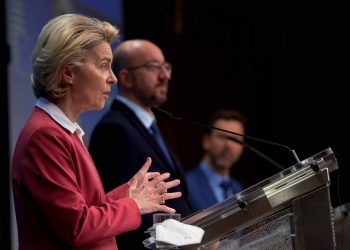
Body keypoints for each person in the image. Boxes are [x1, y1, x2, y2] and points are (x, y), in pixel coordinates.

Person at [11, 14, 183, 250]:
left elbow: (83, 212)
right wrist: (134, 205)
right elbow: (78, 227)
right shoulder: (45, 136)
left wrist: (128, 194)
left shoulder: (63, 131)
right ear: (68, 72)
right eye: (103, 65)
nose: (112, 78)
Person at [89, 39, 193, 249]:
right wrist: (187, 238)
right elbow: (122, 211)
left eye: (166, 67)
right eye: (153, 67)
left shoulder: (149, 125)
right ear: (126, 77)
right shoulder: (114, 130)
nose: (165, 76)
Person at [185, 109, 246, 212]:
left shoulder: (239, 189)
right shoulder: (185, 186)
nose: (228, 145)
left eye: (235, 139)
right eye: (222, 137)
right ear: (206, 141)